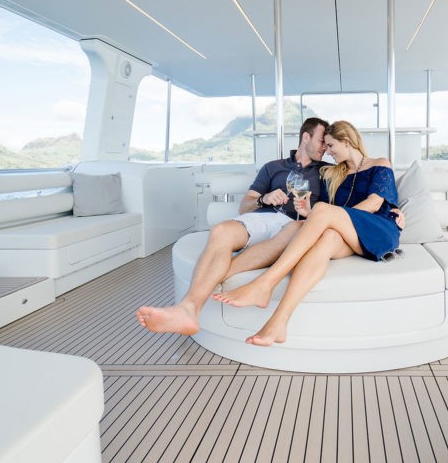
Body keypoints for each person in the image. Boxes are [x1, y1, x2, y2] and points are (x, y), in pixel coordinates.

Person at [213, 120, 401, 346]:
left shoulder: (379, 163)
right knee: (320, 235)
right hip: (345, 234)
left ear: (346, 141)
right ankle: (279, 322)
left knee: (323, 212)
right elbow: (325, 213)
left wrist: (329, 214)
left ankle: (266, 282)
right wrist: (308, 212)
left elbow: (373, 203)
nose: (327, 152)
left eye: (331, 145)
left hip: (377, 229)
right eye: (325, 145)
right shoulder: (333, 174)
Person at [136, 116, 329, 335]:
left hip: (294, 225)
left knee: (293, 230)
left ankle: (190, 304)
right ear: (306, 137)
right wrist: (264, 199)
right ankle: (187, 310)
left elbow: (329, 214)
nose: (325, 148)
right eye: (322, 141)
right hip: (263, 218)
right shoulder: (273, 167)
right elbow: (245, 206)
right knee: (220, 231)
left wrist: (308, 211)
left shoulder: (327, 172)